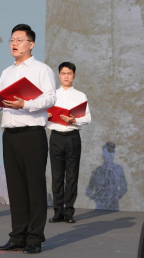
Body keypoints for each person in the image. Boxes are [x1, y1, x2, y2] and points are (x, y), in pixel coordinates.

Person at [0, 24, 56, 254]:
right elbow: (2, 104)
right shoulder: (6, 72)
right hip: (10, 136)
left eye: (19, 39)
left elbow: (50, 98)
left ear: (31, 44)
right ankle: (18, 236)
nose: (14, 43)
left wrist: (25, 104)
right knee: (15, 189)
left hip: (32, 135)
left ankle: (34, 238)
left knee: (34, 188)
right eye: (11, 39)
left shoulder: (41, 69)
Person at [47, 62, 91, 224]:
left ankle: (69, 211)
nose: (66, 76)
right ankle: (58, 211)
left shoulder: (80, 95)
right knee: (57, 175)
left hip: (73, 137)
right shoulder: (52, 96)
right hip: (56, 137)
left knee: (72, 175)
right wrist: (48, 116)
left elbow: (87, 118)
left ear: (74, 76)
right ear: (59, 75)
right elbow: (43, 117)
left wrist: (74, 120)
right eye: (63, 73)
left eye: (69, 73)